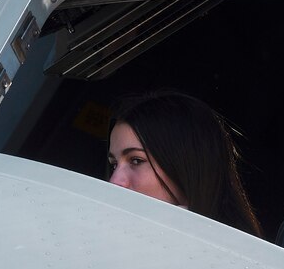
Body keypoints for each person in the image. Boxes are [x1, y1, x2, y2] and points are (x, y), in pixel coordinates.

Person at [107, 91, 263, 236]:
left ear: (187, 166)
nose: (114, 181)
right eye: (114, 165)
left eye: (136, 161)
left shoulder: (234, 256)